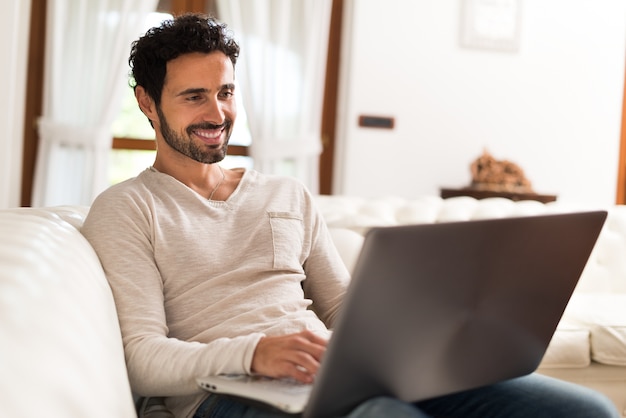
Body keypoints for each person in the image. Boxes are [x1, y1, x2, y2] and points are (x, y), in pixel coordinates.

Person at [81, 13, 619, 418]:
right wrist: (257, 353)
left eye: (225, 93)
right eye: (193, 97)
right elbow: (143, 359)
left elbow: (341, 309)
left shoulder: (286, 193)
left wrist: (427, 335)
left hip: (328, 376)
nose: (217, 114)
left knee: (582, 410)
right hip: (224, 394)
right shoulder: (127, 208)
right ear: (147, 103)